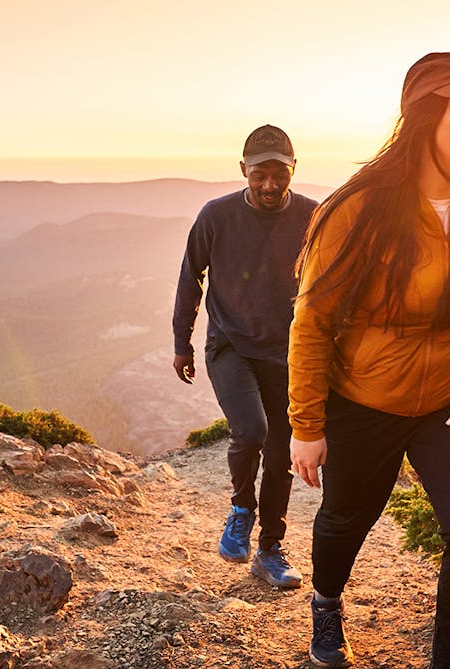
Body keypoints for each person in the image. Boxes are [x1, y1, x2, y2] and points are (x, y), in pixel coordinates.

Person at [287, 53, 450, 668]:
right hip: (364, 398)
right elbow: (312, 321)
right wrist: (307, 426)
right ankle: (326, 599)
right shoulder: (359, 208)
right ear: (425, 115)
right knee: (347, 519)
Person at [173, 125, 318, 589]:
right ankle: (241, 509)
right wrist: (182, 342)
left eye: (280, 174)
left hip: (287, 352)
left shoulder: (313, 218)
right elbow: (190, 276)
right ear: (244, 172)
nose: (270, 184)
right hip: (229, 344)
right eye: (261, 174)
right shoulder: (216, 216)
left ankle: (270, 549)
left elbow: (332, 285)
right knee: (251, 430)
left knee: (281, 455)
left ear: (293, 170)